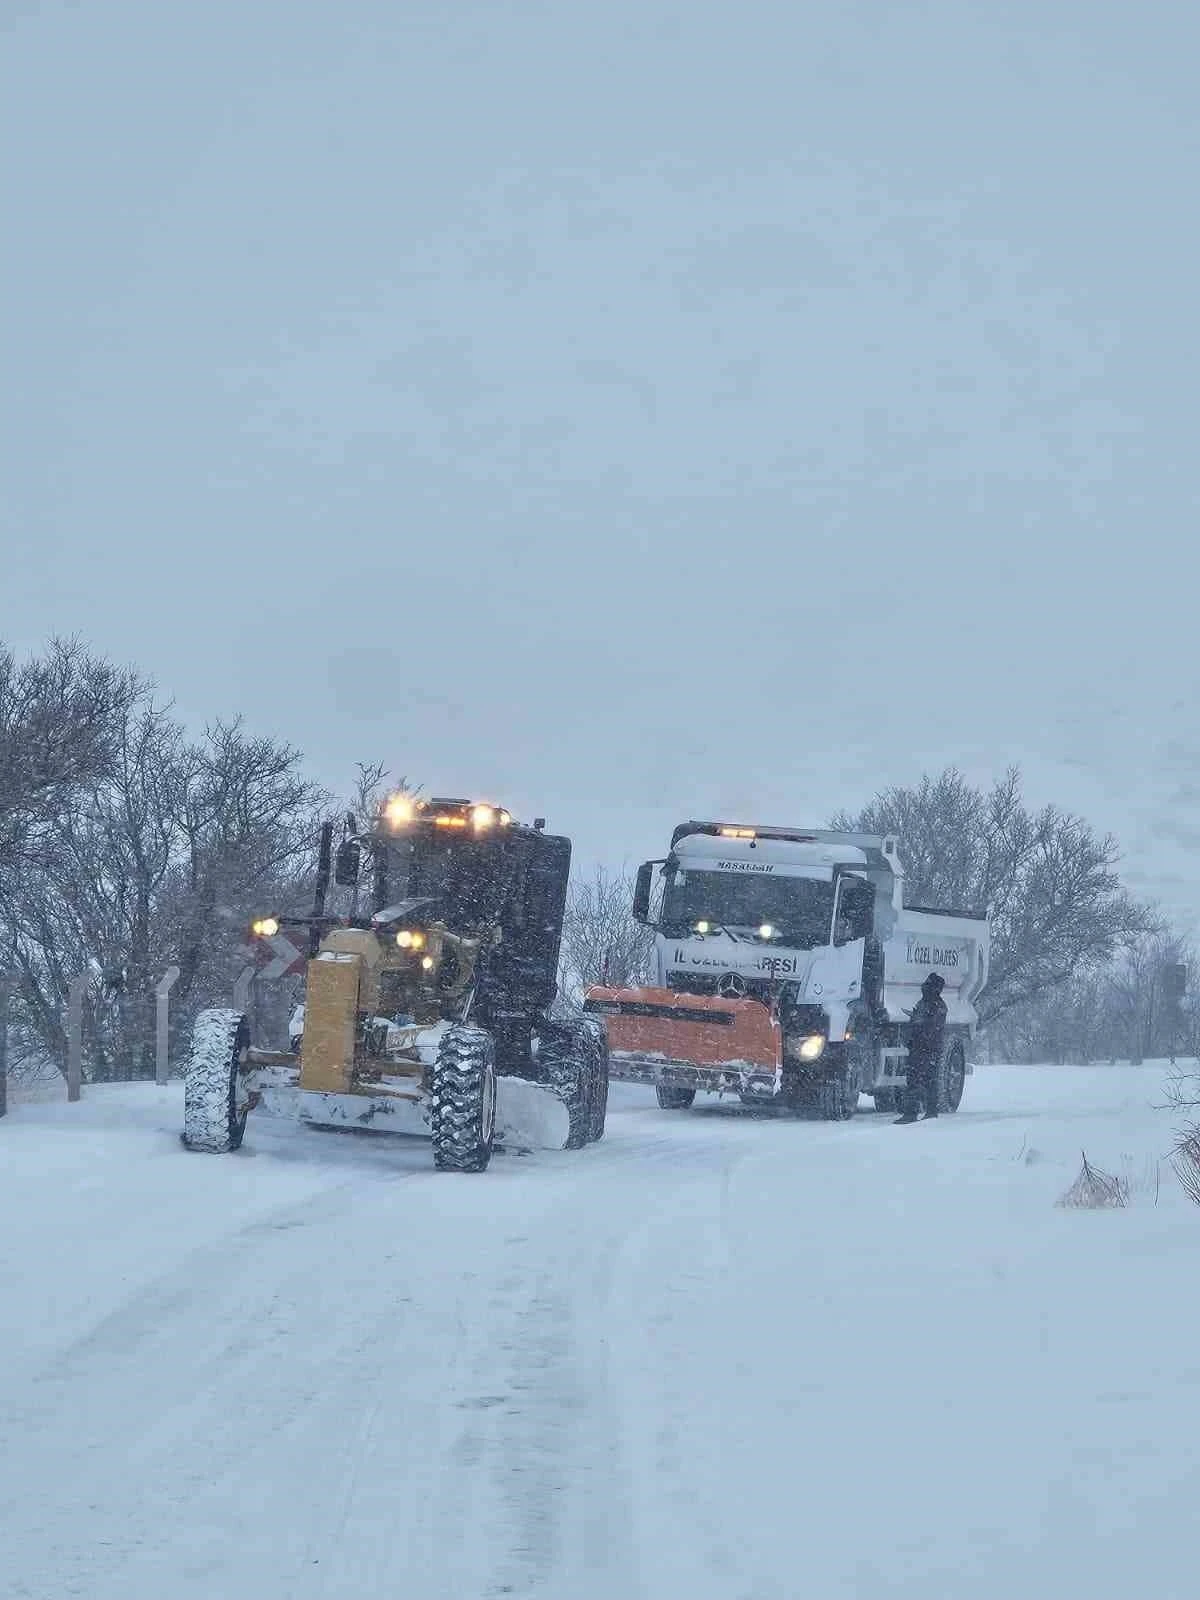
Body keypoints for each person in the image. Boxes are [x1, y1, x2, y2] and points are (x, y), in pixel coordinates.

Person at [896, 972, 947, 1123]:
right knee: (928, 1080)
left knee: (915, 1080)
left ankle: (911, 1113)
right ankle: (931, 1111)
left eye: (927, 985)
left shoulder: (934, 1005)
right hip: (927, 1048)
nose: (923, 987)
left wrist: (917, 1023)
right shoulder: (931, 1003)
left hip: (924, 1048)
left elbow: (929, 1027)